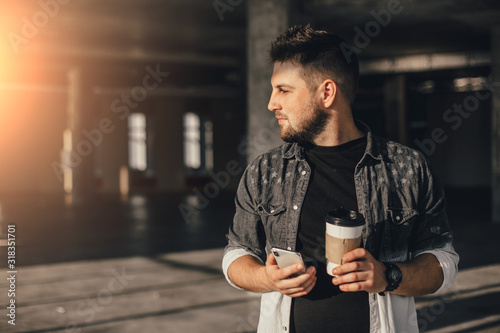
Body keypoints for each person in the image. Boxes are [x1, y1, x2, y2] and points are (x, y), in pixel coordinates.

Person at [222, 24, 459, 333]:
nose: (271, 103)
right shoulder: (266, 171)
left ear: (327, 92)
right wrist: (265, 278)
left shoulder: (407, 168)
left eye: (283, 90)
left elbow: (443, 261)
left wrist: (389, 276)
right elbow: (236, 254)